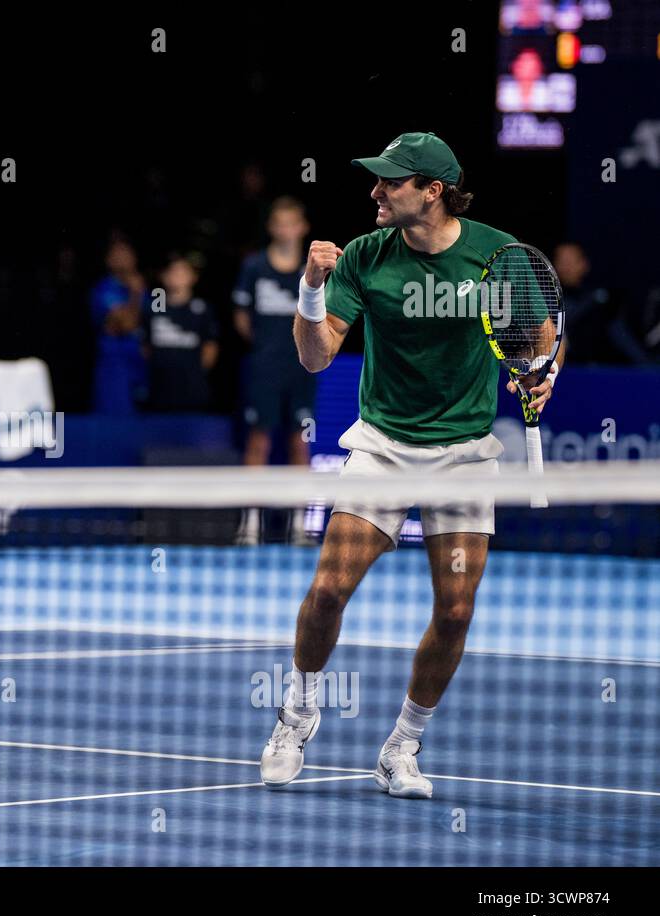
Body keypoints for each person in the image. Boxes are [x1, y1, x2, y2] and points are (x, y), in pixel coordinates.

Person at [260, 132, 563, 798]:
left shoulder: (495, 254)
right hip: (384, 446)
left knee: (455, 611)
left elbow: (542, 335)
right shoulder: (366, 256)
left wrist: (542, 376)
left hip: (463, 453)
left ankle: (401, 746)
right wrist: (311, 291)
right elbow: (315, 357)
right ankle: (298, 713)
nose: (374, 191)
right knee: (329, 589)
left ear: (432, 191)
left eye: (389, 182)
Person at [233, 197, 315, 544]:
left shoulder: (312, 269)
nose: (285, 229)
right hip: (263, 368)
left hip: (302, 369)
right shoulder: (253, 267)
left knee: (300, 443)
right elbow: (241, 318)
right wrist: (267, 347)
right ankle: (250, 525)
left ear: (302, 228)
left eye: (291, 222)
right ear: (271, 228)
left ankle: (299, 526)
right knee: (258, 442)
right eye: (278, 223)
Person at [142, 255, 218, 411]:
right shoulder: (158, 303)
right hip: (160, 389)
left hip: (193, 389)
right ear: (164, 276)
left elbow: (210, 348)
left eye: (183, 272)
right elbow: (146, 345)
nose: (177, 276)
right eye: (172, 272)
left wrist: (193, 372)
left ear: (193, 277)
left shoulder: (201, 308)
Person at [554, 241, 650, 366]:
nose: (566, 267)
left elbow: (622, 337)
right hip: (556, 371)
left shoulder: (600, 302)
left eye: (571, 261)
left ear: (584, 264)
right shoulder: (543, 301)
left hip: (594, 371)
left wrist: (646, 365)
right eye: (562, 261)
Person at [88, 237, 147, 414]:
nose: (122, 258)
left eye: (126, 253)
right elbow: (124, 324)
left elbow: (159, 318)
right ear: (108, 260)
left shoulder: (153, 291)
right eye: (117, 254)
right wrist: (136, 295)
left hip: (143, 364)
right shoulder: (103, 289)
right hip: (115, 365)